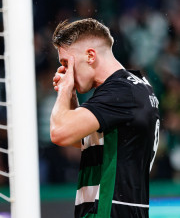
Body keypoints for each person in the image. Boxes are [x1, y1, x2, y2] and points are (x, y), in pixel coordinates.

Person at [50, 18, 160, 217]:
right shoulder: (134, 86)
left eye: (67, 63)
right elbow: (83, 140)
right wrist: (73, 98)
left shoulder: (121, 92)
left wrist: (64, 90)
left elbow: (59, 133)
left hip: (110, 211)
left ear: (90, 56)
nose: (66, 72)